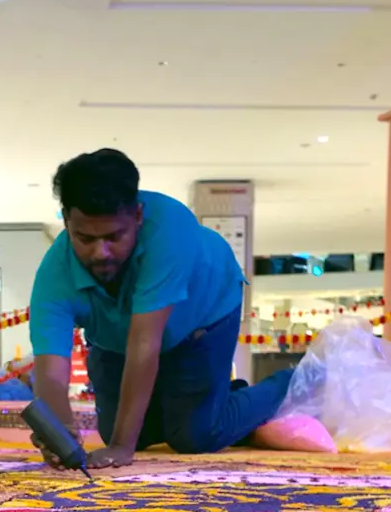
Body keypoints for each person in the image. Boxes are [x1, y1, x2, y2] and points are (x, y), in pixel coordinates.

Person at [28, 149, 293, 469]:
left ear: (138, 216)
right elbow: (50, 370)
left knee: (195, 436)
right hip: (118, 340)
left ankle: (291, 382)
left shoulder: (170, 227)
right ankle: (214, 398)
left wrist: (122, 447)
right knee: (128, 431)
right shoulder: (53, 274)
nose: (101, 252)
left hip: (204, 316)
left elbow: (145, 344)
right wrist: (58, 429)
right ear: (66, 221)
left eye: (114, 236)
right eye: (84, 238)